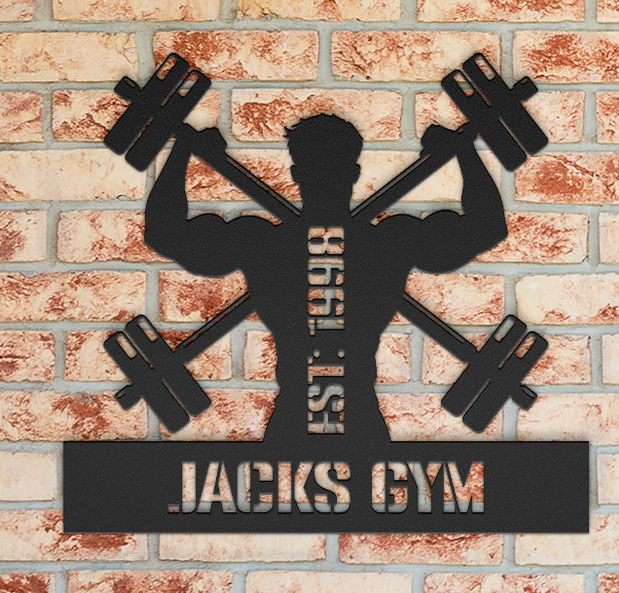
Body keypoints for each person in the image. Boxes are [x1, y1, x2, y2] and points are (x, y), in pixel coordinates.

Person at [143, 110, 508, 444]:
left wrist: (183, 153)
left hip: (291, 426)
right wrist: (463, 151)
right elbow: (487, 227)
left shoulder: (263, 243)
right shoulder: (389, 242)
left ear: (296, 174)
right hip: (362, 427)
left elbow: (165, 233)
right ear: (354, 174)